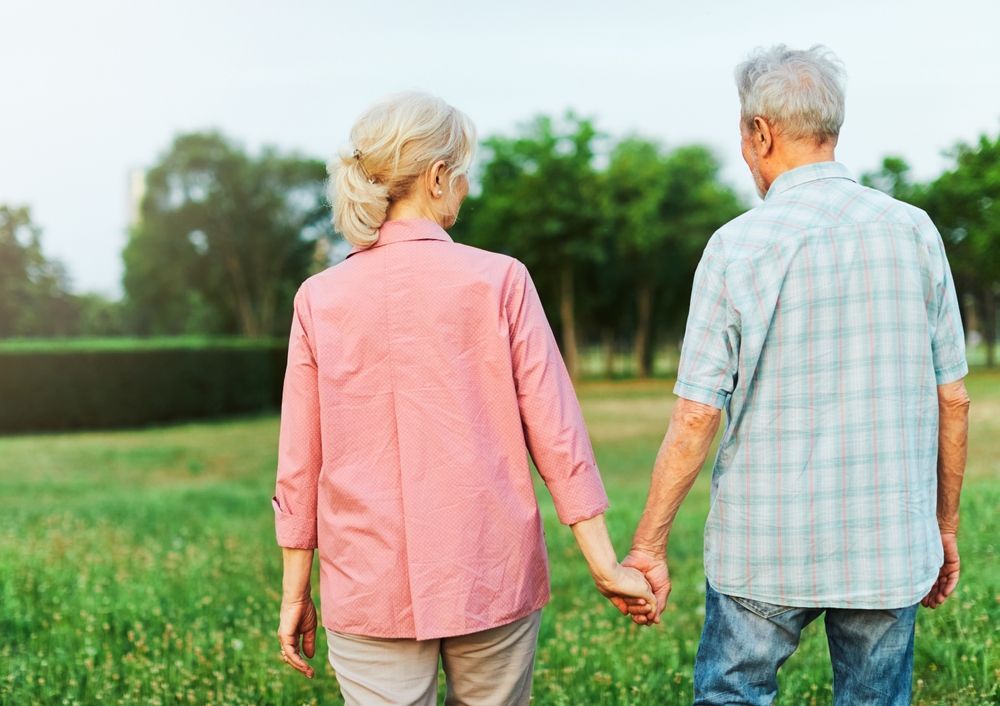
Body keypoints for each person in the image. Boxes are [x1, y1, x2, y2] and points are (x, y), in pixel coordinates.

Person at [271, 91, 654, 705]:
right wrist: (605, 562)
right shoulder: (501, 279)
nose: (466, 189)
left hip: (365, 583)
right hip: (490, 570)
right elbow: (558, 436)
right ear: (438, 176)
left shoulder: (319, 297)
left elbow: (299, 461)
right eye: (463, 173)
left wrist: (296, 592)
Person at [620, 45, 970, 705]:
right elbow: (953, 399)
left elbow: (697, 413)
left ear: (761, 133)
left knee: (734, 694)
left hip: (763, 543)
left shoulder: (737, 246)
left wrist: (648, 546)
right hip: (889, 543)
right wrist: (943, 529)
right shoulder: (915, 232)